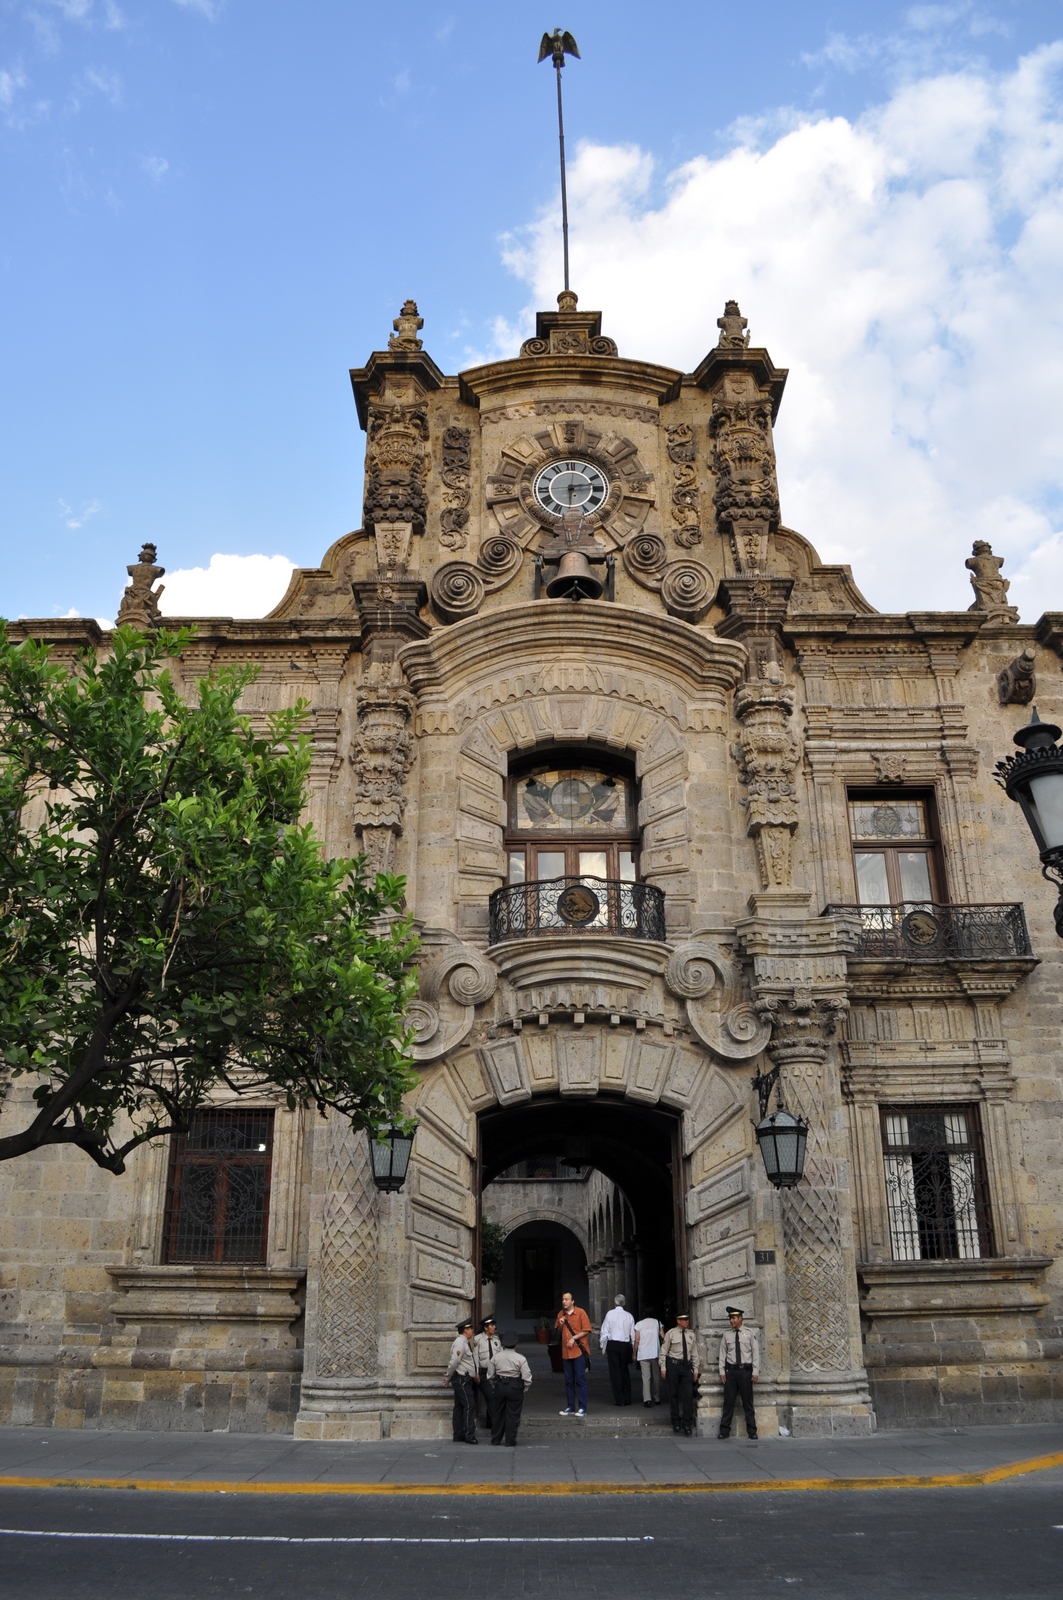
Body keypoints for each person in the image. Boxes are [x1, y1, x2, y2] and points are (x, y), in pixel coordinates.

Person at [717, 1305, 759, 1440]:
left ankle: (752, 1430)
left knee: (748, 1403)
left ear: (741, 1318)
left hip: (745, 1371)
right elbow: (722, 1353)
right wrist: (722, 1371)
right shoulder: (726, 1335)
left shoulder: (750, 1333)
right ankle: (724, 1430)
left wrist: (755, 1371)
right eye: (730, 1318)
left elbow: (755, 1353)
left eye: (734, 1318)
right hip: (731, 1372)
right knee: (728, 1402)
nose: (732, 1321)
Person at [486, 1333, 533, 1446]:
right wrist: (524, 1388)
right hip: (515, 1386)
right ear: (515, 1345)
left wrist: (495, 1385)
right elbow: (527, 1377)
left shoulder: (496, 1357)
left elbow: (490, 1375)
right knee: (513, 1414)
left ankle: (496, 1439)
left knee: (498, 1413)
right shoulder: (520, 1358)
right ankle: (510, 1440)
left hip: (500, 1385)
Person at [659, 1309, 701, 1436]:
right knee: (674, 1394)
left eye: (687, 1319)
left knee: (688, 1395)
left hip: (686, 1367)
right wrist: (663, 1367)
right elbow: (664, 1351)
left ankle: (686, 1422)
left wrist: (696, 1369)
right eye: (684, 1320)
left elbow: (694, 1353)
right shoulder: (671, 1334)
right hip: (674, 1366)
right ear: (678, 1321)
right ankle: (675, 1421)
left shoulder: (691, 1334)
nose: (687, 1322)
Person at [554, 1290, 592, 1416]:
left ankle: (582, 1407)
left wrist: (574, 1338)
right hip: (566, 1352)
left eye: (566, 1299)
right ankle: (570, 1406)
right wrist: (560, 1325)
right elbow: (558, 1332)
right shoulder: (561, 1314)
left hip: (578, 1351)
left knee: (580, 1379)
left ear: (572, 1301)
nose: (564, 1301)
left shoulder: (580, 1312)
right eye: (563, 1299)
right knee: (568, 1380)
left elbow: (586, 1330)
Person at [443, 1317, 478, 1444]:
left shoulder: (464, 1342)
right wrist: (447, 1377)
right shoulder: (460, 1343)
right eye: (470, 1329)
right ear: (465, 1330)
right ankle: (469, 1435)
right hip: (462, 1378)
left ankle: (458, 1434)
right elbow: (454, 1362)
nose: (472, 1331)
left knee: (459, 1406)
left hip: (464, 1378)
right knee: (469, 1405)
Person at [599, 1293, 636, 1406]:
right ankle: (627, 1398)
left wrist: (602, 1346)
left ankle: (619, 1399)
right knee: (624, 1371)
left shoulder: (610, 1314)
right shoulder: (629, 1316)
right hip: (625, 1345)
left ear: (614, 1303)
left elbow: (605, 1331)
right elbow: (633, 1335)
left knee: (615, 1372)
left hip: (613, 1344)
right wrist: (634, 1349)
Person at [473, 1315, 502, 1432]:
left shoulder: (496, 1340)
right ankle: (497, 1425)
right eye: (492, 1325)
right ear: (486, 1328)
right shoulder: (477, 1340)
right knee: (490, 1396)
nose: (494, 1327)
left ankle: (490, 1423)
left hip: (495, 1373)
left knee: (494, 1396)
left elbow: (500, 1356)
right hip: (483, 1372)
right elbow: (475, 1358)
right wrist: (476, 1373)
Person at [633, 1305, 663, 1407]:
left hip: (643, 1353)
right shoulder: (657, 1323)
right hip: (655, 1352)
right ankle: (657, 1397)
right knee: (656, 1377)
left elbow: (636, 1340)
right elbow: (663, 1336)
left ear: (643, 1314)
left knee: (646, 1377)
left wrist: (634, 1353)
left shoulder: (639, 1324)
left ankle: (647, 1399)